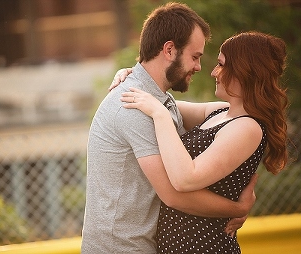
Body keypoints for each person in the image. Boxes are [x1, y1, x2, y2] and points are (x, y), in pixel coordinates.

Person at [82, 3, 256, 253]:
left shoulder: (159, 101)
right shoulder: (133, 106)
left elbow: (231, 115)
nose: (199, 67)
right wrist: (238, 208)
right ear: (169, 50)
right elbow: (174, 195)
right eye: (195, 57)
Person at [116, 31, 288, 253]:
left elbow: (185, 179)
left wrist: (159, 115)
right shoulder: (220, 112)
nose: (214, 72)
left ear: (246, 71)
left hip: (204, 247)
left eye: (222, 64)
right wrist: (132, 76)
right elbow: (161, 102)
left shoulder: (248, 128)